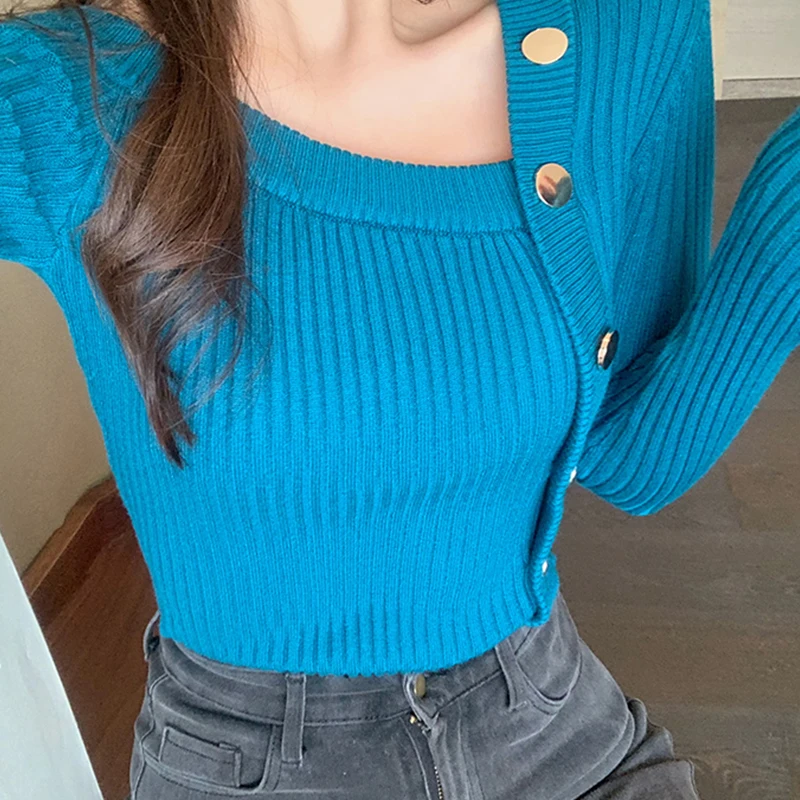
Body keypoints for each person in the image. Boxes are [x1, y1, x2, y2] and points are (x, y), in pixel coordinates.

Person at [1, 0, 798, 797]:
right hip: (249, 759)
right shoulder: (72, 88)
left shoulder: (629, 27)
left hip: (551, 724)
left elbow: (629, 452)